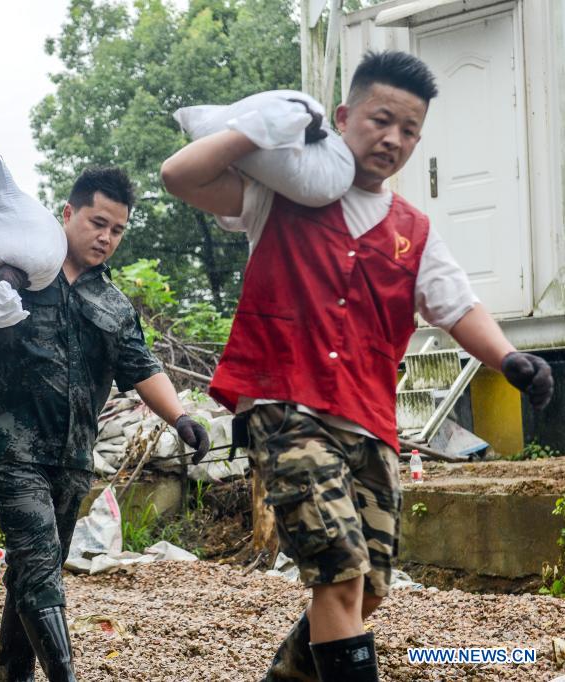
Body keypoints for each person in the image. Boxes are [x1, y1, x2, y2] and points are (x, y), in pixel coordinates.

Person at [161, 50, 554, 681]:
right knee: (340, 575)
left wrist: (510, 358)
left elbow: (458, 307)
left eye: (409, 129)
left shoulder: (413, 231)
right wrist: (262, 127)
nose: (393, 139)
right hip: (284, 405)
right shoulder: (280, 193)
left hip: (370, 420)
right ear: (343, 117)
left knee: (367, 587)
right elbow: (179, 175)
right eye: (380, 120)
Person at [0, 167, 211, 682]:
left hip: (72, 456)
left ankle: (13, 676)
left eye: (117, 230)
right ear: (68, 214)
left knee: (37, 573)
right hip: (9, 445)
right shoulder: (21, 264)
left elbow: (141, 366)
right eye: (97, 222)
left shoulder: (112, 303)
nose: (105, 237)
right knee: (37, 560)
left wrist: (182, 418)